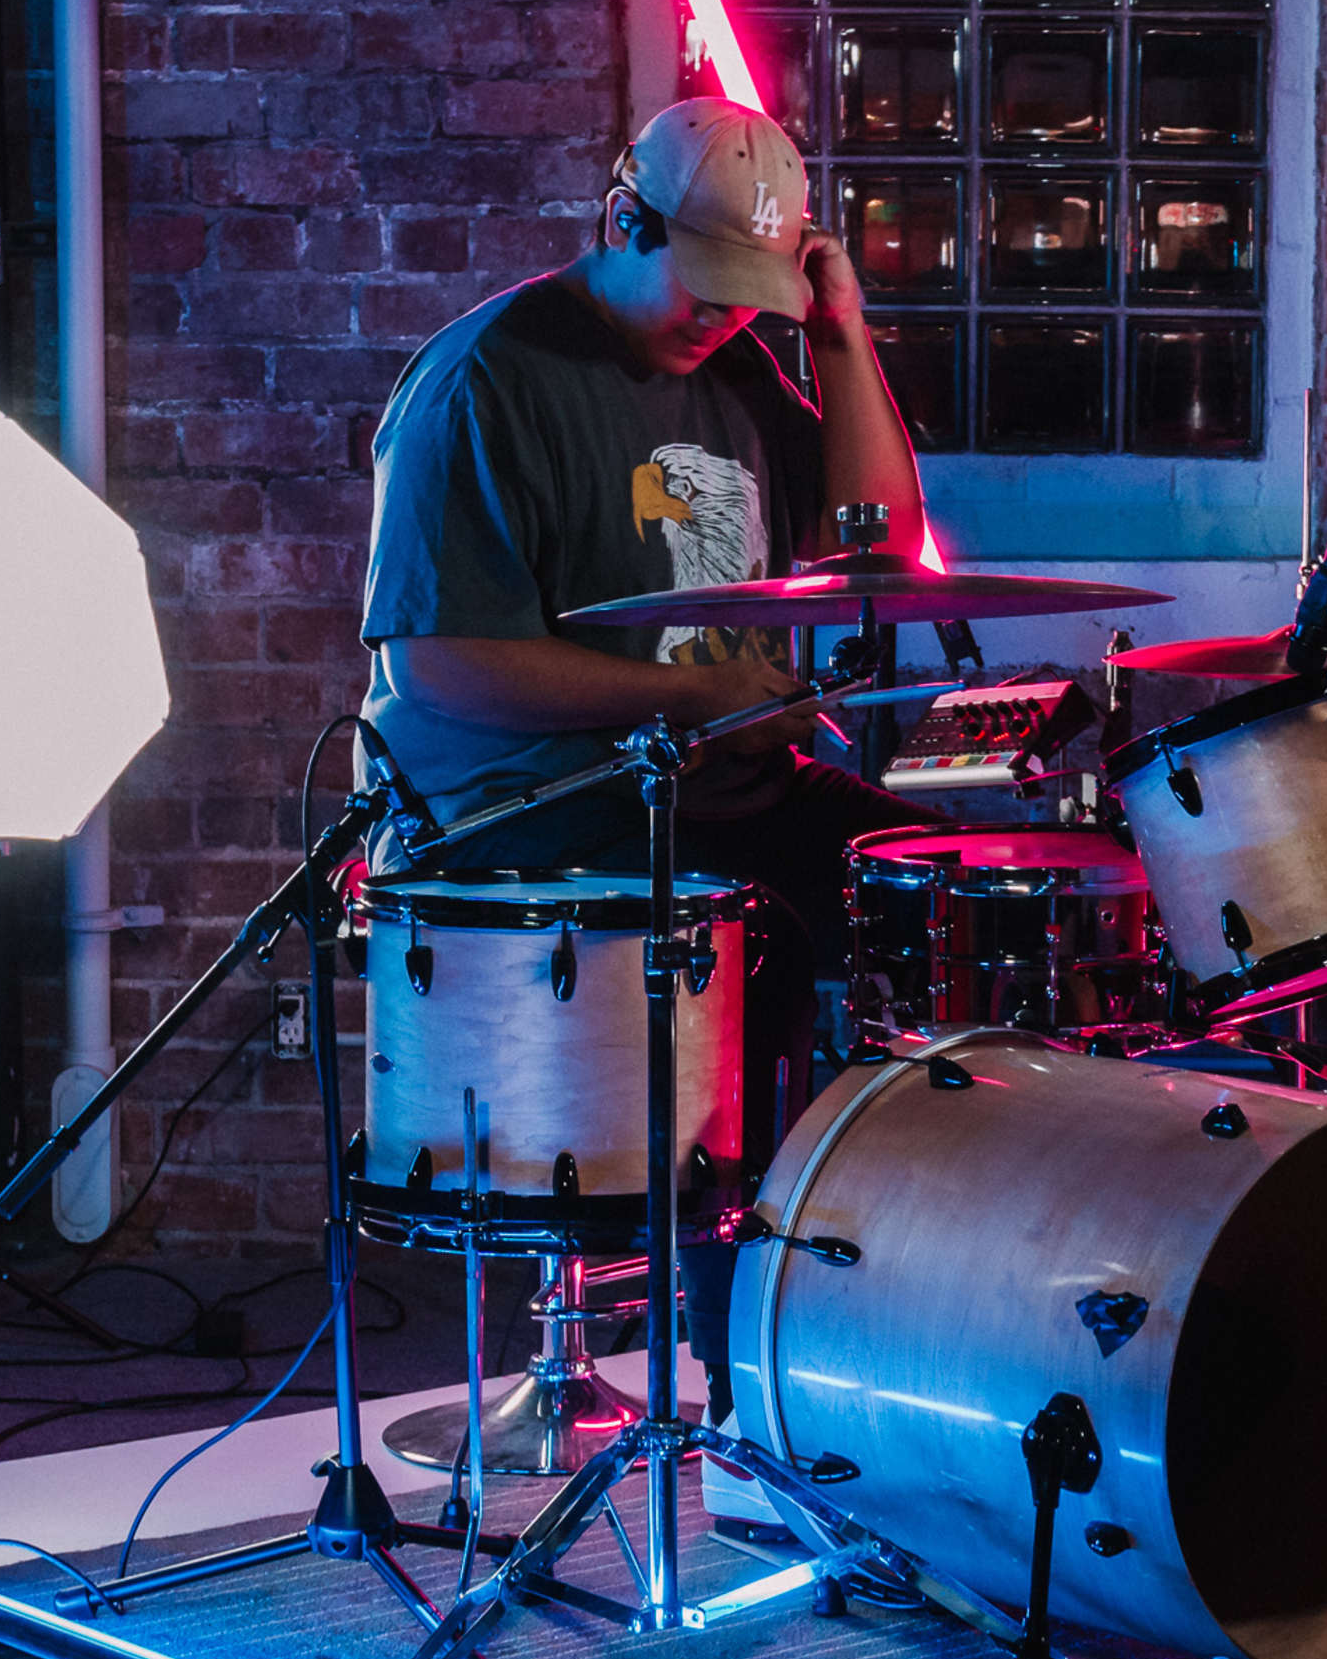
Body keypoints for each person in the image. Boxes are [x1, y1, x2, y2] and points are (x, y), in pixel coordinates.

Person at [353, 100, 938, 1523]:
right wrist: (677, 698)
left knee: (916, 884)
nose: (724, 325)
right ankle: (747, 1365)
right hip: (521, 806)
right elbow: (437, 658)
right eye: (708, 291)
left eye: (760, 300)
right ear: (621, 224)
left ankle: (906, 1318)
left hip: (710, 785)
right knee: (762, 936)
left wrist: (840, 336)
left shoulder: (746, 369)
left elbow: (886, 549)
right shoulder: (487, 381)